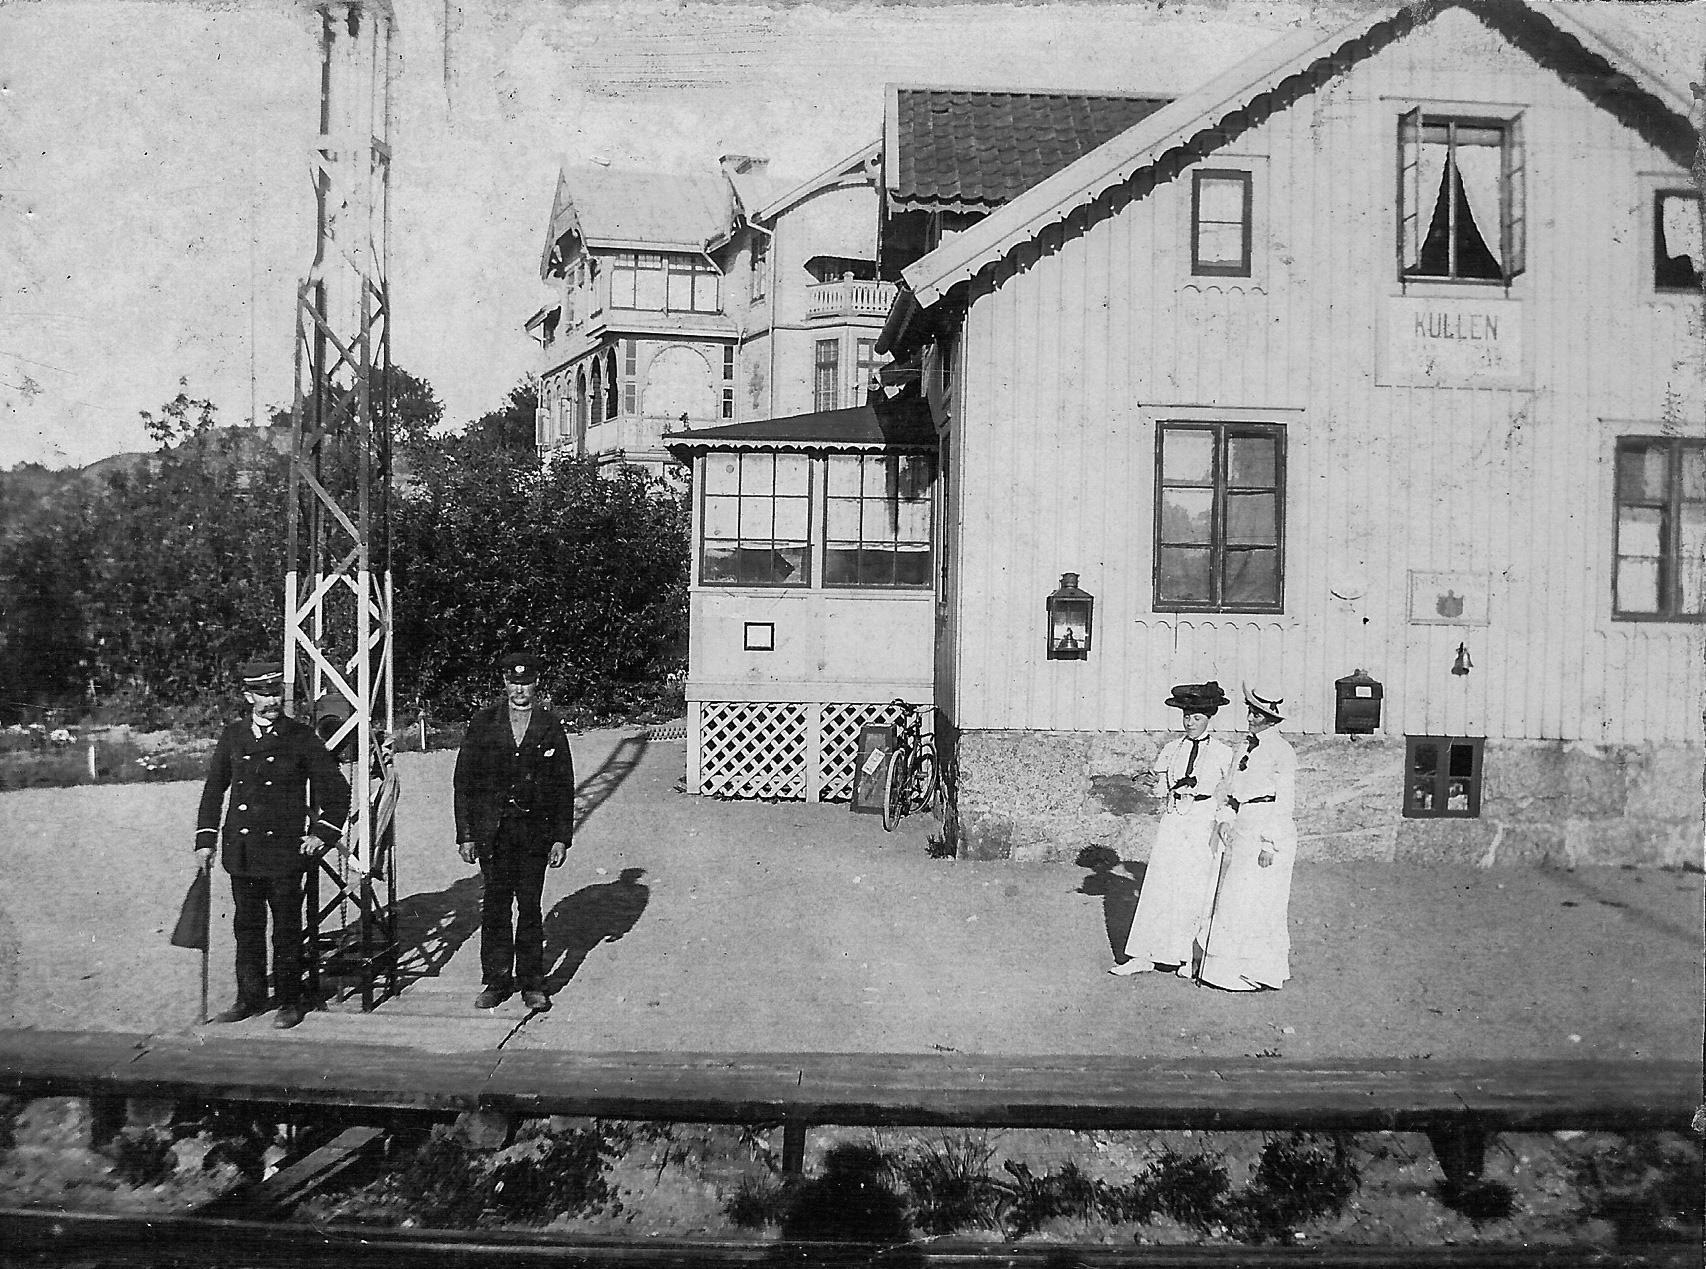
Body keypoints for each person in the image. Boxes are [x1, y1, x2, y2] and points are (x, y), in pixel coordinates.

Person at [195, 661, 351, 1029]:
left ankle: (289, 1001)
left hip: (283, 853)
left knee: (285, 931)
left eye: (275, 694)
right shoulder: (233, 736)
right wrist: (206, 839)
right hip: (243, 852)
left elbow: (336, 790)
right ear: (248, 696)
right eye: (262, 694)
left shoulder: (299, 737)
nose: (271, 701)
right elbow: (214, 790)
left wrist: (323, 834)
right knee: (246, 929)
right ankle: (248, 999)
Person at [454, 650, 575, 1012]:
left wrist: (560, 837)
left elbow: (563, 785)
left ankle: (533, 984)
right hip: (495, 833)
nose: (520, 689)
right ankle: (495, 981)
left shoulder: (549, 725)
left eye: (526, 682)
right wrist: (466, 834)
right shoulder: (484, 723)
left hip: (534, 833)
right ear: (504, 682)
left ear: (536, 683)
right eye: (513, 681)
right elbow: (464, 781)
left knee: (530, 907)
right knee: (494, 907)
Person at [1111, 681, 1234, 978]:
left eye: (1196, 718)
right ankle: (1145, 955)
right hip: (1175, 817)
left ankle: (1186, 958)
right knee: (1160, 885)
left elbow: (1229, 793)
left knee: (1193, 889)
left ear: (1209, 718)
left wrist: (1225, 820)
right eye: (1186, 717)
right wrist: (1152, 784)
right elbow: (1160, 787)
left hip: (1202, 820)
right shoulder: (1171, 749)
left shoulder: (1222, 752)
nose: (1190, 723)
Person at [1198, 684, 1298, 992]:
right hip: (1243, 826)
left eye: (1259, 714)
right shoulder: (1243, 746)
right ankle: (1225, 970)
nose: (1252, 718)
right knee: (1235, 897)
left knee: (1261, 900)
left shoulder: (1282, 751)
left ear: (1271, 720)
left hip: (1268, 828)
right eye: (1251, 712)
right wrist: (1226, 818)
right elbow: (1231, 789)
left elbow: (1284, 801)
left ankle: (1259, 972)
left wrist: (1270, 843)